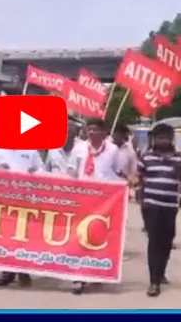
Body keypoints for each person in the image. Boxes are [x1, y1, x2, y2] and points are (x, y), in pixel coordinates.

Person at [68, 118, 124, 295]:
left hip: (105, 203)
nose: (91, 132)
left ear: (104, 132)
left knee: (99, 239)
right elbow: (71, 169)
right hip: (82, 200)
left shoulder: (113, 150)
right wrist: (72, 179)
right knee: (79, 237)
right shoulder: (79, 148)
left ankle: (96, 272)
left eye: (95, 129)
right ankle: (78, 277)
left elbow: (119, 171)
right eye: (89, 129)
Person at [138, 123, 181, 297]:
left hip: (170, 207)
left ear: (171, 139)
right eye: (160, 137)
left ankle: (161, 272)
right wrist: (142, 202)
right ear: (154, 139)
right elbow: (139, 179)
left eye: (166, 137)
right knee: (154, 241)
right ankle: (154, 281)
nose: (163, 140)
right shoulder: (146, 157)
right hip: (151, 205)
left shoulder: (179, 158)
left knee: (167, 241)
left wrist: (179, 172)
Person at [0, 147, 44, 288]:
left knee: (23, 237)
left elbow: (41, 169)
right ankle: (7, 272)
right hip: (5, 198)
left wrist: (34, 173)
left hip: (25, 199)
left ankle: (23, 271)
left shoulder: (31, 150)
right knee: (6, 236)